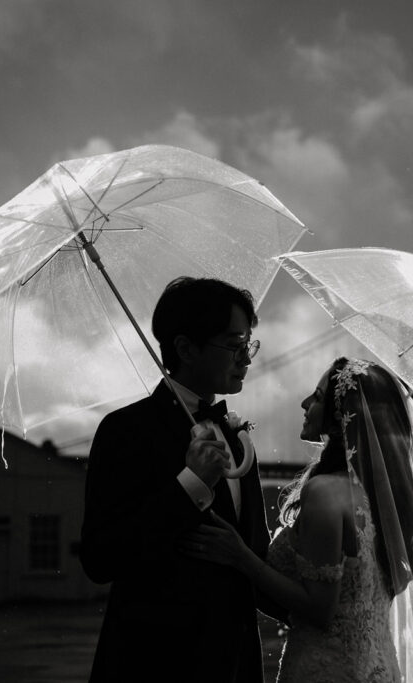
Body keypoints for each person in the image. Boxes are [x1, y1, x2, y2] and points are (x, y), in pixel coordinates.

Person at [181, 357, 413, 682]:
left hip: (326, 671)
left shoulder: (326, 492)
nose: (305, 404)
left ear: (341, 417)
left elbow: (319, 609)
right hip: (380, 667)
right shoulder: (391, 503)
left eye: (318, 396)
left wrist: (241, 557)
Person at [80, 276, 282, 682]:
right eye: (234, 344)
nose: (246, 357)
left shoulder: (237, 436)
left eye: (249, 344)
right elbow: (100, 558)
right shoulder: (125, 429)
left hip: (235, 664)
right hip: (153, 664)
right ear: (186, 348)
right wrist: (191, 484)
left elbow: (253, 555)